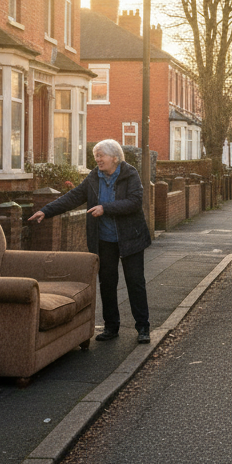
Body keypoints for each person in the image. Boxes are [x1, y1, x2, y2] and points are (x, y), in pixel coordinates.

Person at [30, 139, 152, 344]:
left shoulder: (129, 174)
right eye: (96, 155)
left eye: (101, 155)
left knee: (135, 282)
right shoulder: (94, 177)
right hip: (104, 240)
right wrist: (46, 210)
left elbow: (134, 202)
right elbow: (73, 197)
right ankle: (111, 327)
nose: (97, 159)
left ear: (115, 157)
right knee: (107, 283)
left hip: (130, 238)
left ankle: (143, 328)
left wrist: (106, 208)